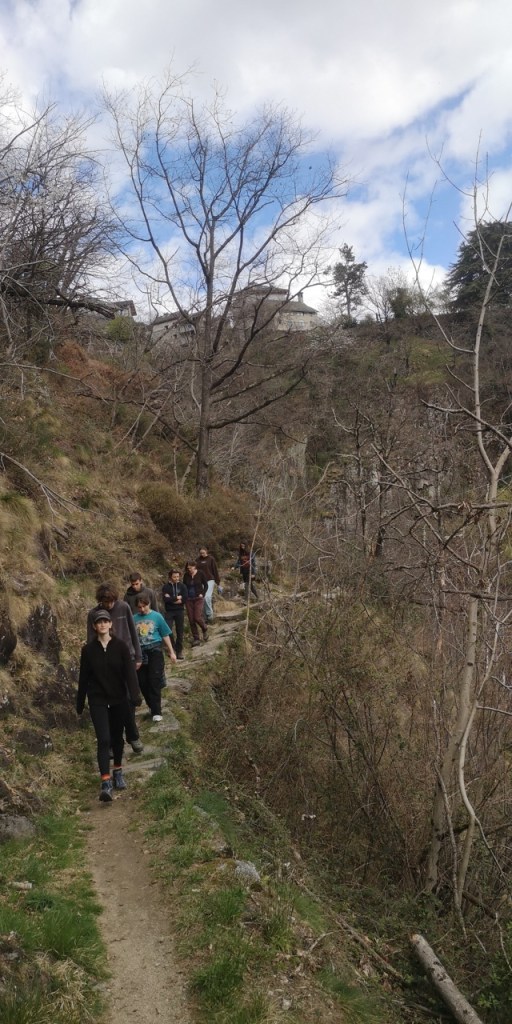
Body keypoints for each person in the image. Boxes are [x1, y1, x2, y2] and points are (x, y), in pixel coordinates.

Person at [77, 609, 142, 802]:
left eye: (106, 621)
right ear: (94, 626)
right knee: (103, 739)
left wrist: (135, 696)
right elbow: (83, 677)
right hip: (97, 700)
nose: (103, 624)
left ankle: (118, 772)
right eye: (99, 622)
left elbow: (129, 673)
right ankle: (105, 782)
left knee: (116, 738)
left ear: (111, 624)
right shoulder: (88, 650)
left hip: (118, 699)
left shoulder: (121, 647)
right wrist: (80, 701)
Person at [86, 582, 144, 753]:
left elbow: (133, 632)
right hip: (106, 663)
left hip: (127, 659)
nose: (109, 605)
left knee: (129, 700)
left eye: (111, 602)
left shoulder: (124, 607)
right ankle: (113, 742)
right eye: (105, 602)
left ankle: (132, 736)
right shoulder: (94, 614)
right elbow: (90, 640)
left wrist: (138, 656)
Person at [133, 591, 176, 721]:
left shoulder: (157, 616)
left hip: (155, 651)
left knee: (154, 680)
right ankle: (152, 706)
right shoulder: (133, 619)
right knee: (142, 682)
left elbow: (165, 634)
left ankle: (157, 711)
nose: (142, 609)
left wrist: (171, 652)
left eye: (144, 606)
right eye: (139, 607)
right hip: (140, 654)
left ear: (149, 604)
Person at [162, 568, 187, 660]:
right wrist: (177, 598)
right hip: (169, 611)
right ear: (170, 577)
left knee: (180, 631)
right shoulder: (166, 587)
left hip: (180, 610)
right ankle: (172, 648)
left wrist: (172, 599)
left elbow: (185, 598)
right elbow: (165, 599)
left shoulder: (182, 586)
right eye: (174, 577)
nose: (176, 578)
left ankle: (179, 651)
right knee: (168, 630)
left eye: (177, 576)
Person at [183, 560, 208, 646]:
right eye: (188, 568)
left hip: (198, 598)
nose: (189, 569)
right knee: (191, 620)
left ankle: (204, 628)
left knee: (197, 617)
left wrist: (203, 594)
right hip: (188, 599)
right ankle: (196, 638)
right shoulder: (186, 575)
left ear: (194, 566)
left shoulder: (200, 573)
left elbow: (206, 585)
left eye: (190, 568)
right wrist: (184, 596)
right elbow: (184, 587)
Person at [195, 546, 221, 624]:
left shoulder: (211, 559)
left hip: (210, 580)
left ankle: (210, 615)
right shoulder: (197, 560)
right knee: (202, 598)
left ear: (206, 552)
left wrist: (218, 582)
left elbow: (215, 570)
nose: (202, 554)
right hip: (200, 581)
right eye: (200, 553)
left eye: (203, 553)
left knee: (207, 597)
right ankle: (204, 617)